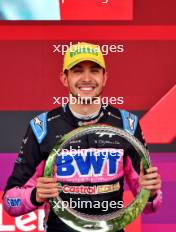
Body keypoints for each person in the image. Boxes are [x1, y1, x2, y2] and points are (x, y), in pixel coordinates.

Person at [3, 42, 162, 232]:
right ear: (64, 78)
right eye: (77, 71)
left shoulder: (127, 124)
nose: (87, 78)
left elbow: (149, 204)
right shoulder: (42, 127)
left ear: (105, 78)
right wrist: (35, 195)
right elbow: (10, 201)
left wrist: (150, 193)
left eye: (94, 71)